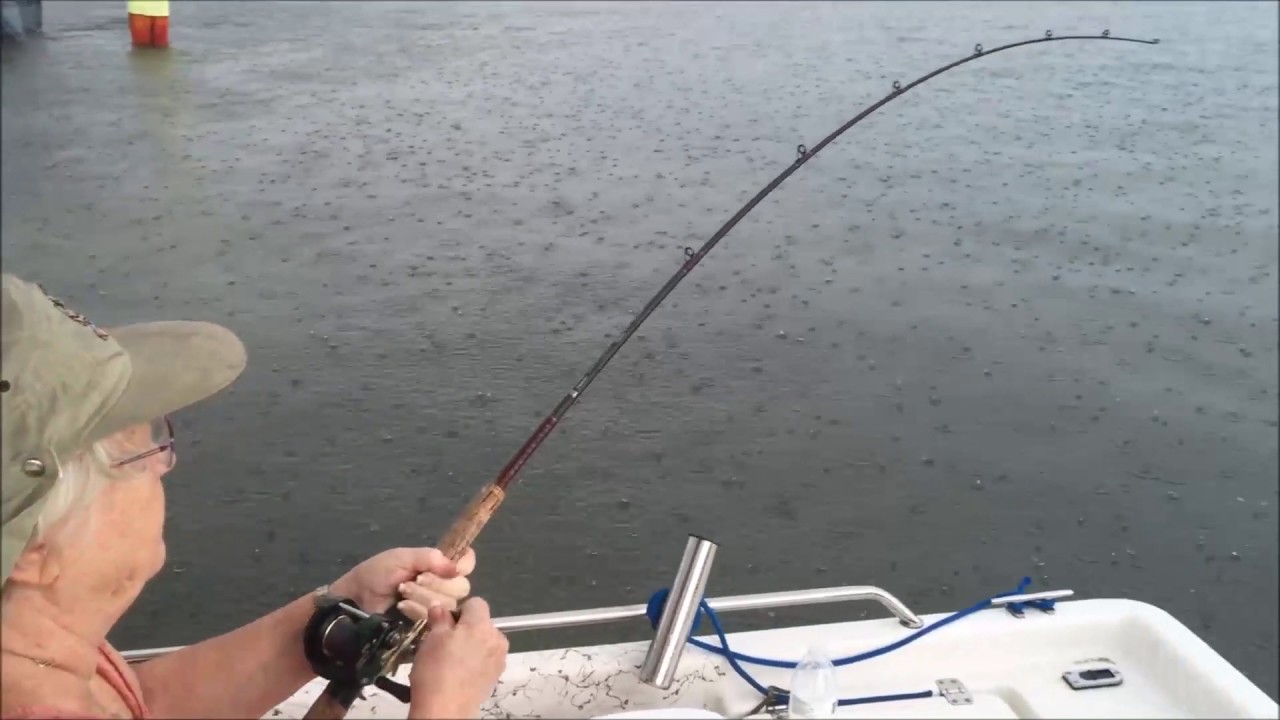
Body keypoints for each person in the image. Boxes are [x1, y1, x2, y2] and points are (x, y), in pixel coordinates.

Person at [0, 273, 509, 719]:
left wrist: (340, 608)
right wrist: (445, 706)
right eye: (138, 454)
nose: (163, 465)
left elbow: (145, 705)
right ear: (32, 551)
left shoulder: (36, 652)